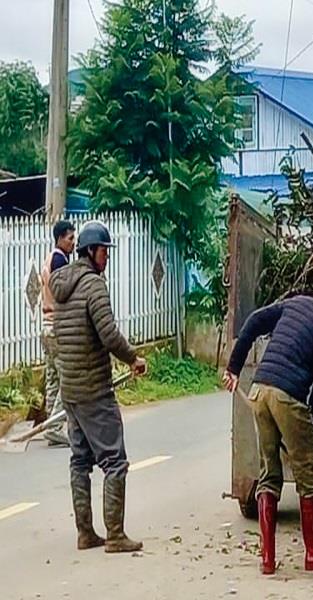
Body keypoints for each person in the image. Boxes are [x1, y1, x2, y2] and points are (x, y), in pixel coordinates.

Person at [223, 283, 313, 575]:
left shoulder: (296, 303)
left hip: (260, 390)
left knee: (269, 475)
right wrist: (309, 441)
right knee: (310, 477)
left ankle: (267, 559)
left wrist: (234, 367)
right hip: (287, 395)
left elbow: (254, 322)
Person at [49, 221, 147, 552]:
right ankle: (116, 536)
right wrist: (133, 358)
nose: (107, 257)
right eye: (105, 251)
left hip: (71, 390)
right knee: (114, 461)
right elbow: (108, 335)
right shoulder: (93, 286)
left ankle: (85, 533)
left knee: (80, 461)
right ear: (91, 251)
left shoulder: (62, 284)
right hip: (94, 389)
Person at [41, 219, 75, 446]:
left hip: (46, 326)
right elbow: (66, 292)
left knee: (53, 376)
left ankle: (49, 423)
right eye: (70, 238)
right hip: (57, 326)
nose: (73, 243)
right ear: (60, 238)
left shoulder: (48, 258)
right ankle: (54, 426)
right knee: (68, 378)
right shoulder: (60, 260)